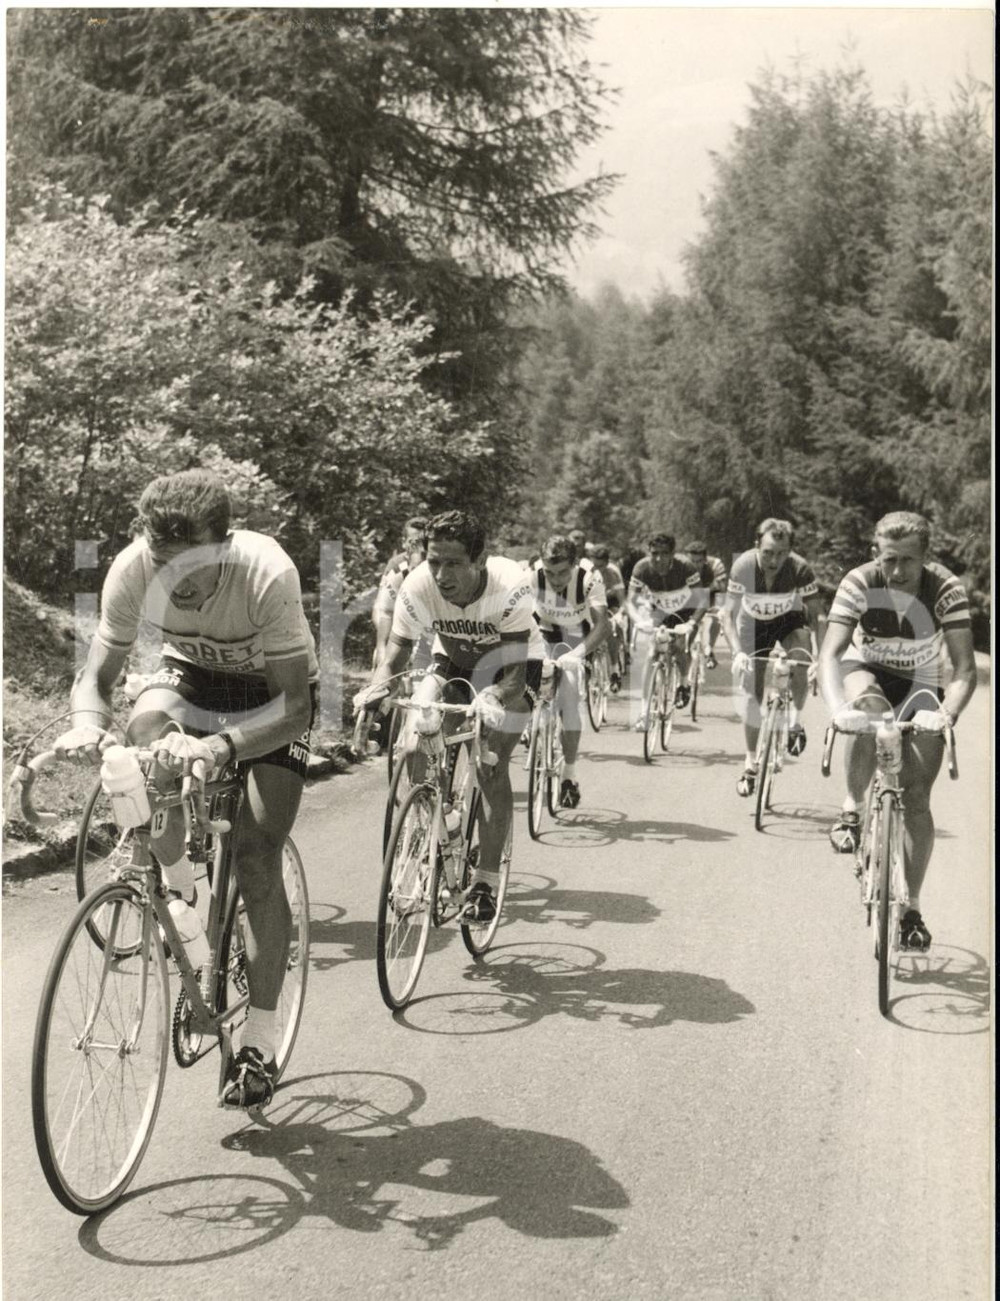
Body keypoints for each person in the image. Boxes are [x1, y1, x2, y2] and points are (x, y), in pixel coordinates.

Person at [53, 469, 317, 1110]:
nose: (174, 581)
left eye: (191, 568)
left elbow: (295, 708)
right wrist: (89, 724)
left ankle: (259, 1037)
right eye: (162, 563)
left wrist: (221, 746)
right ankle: (184, 896)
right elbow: (96, 678)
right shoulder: (130, 568)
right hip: (192, 674)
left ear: (225, 546)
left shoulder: (266, 572)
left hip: (272, 698)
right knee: (147, 729)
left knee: (256, 854)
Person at [354, 510, 543, 924]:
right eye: (434, 560)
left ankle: (486, 882)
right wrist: (376, 689)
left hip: (513, 668)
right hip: (454, 660)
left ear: (479, 561)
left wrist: (494, 697)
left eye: (453, 563)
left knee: (491, 760)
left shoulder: (510, 585)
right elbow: (394, 658)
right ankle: (447, 821)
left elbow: (512, 675)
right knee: (418, 734)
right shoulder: (418, 584)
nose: (440, 573)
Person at [818, 511, 975, 950]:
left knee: (918, 798)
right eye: (889, 560)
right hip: (865, 669)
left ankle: (911, 910)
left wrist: (946, 714)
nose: (898, 572)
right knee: (868, 709)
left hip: (923, 681)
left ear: (926, 559)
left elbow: (964, 668)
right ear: (875, 555)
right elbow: (830, 654)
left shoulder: (945, 587)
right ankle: (852, 805)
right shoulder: (859, 581)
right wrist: (836, 709)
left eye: (908, 561)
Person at [721, 518, 822, 796]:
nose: (774, 560)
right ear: (757, 546)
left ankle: (795, 723)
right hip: (753, 625)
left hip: (788, 622)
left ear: (789, 551)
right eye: (767, 552)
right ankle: (750, 762)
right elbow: (727, 614)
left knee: (801, 653)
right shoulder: (743, 566)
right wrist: (737, 652)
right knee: (750, 689)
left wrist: (820, 659)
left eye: (781, 553)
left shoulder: (800, 568)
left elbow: (816, 616)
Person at [529, 535, 611, 808]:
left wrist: (578, 654)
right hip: (543, 637)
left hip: (577, 640)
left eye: (563, 572)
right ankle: (533, 726)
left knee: (569, 698)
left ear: (574, 564)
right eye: (550, 572)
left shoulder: (590, 579)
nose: (555, 579)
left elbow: (602, 626)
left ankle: (569, 774)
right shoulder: (532, 577)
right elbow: (519, 619)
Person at [628, 533, 706, 725]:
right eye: (654, 553)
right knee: (651, 652)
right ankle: (644, 710)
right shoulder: (642, 567)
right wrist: (639, 620)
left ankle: (683, 684)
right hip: (660, 612)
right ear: (649, 552)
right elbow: (630, 601)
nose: (659, 559)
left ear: (673, 554)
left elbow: (703, 600)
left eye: (664, 554)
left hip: (686, 612)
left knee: (680, 646)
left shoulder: (686, 567)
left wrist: (691, 623)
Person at [371, 521, 428, 668]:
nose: (418, 547)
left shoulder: (437, 566)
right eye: (413, 542)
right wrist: (386, 645)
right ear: (404, 543)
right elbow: (381, 610)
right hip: (399, 626)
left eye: (422, 542)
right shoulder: (396, 567)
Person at [679, 539, 728, 669]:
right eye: (692, 561)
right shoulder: (680, 566)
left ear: (705, 559)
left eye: (699, 561)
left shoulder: (715, 565)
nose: (695, 565)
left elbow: (721, 590)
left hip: (710, 595)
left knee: (716, 617)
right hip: (690, 597)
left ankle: (709, 649)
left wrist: (721, 609)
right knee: (686, 631)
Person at [588, 543, 627, 690]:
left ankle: (614, 670)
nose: (597, 569)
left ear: (607, 563)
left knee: (611, 629)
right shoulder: (585, 571)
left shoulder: (613, 573)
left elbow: (623, 601)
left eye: (601, 566)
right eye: (594, 565)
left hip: (610, 602)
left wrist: (619, 615)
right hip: (592, 603)